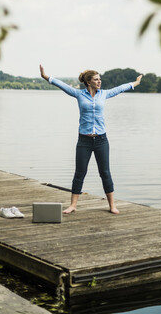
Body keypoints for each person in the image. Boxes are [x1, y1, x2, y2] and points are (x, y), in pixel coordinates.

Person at [39, 64, 142, 215]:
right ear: (88, 82)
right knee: (79, 173)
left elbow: (120, 88)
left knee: (105, 173)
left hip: (101, 140)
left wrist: (135, 83)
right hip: (84, 141)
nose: (99, 81)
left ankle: (112, 205)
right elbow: (62, 85)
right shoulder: (79, 94)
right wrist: (46, 76)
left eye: (100, 79)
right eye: (96, 79)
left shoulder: (104, 94)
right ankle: (73, 205)